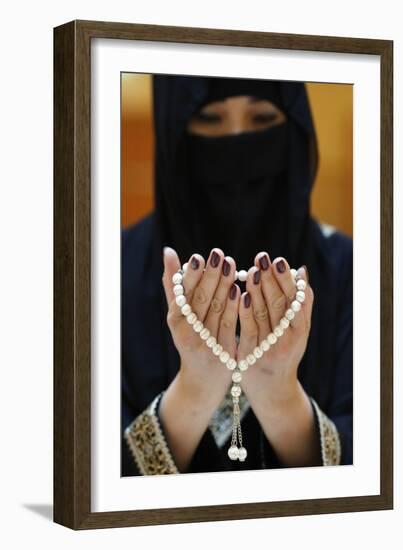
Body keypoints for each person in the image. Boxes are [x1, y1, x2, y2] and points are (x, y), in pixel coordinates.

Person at [121, 75, 353, 476]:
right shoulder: (107, 271)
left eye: (263, 118)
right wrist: (194, 387)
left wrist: (280, 395)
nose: (237, 141)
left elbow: (380, 467)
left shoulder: (351, 270)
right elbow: (82, 470)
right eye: (209, 119)